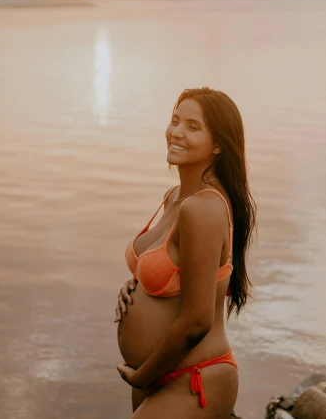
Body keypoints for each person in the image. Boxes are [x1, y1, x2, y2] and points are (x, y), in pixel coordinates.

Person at [114, 87, 256, 418]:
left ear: (218, 144)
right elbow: (171, 276)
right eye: (175, 121)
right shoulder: (174, 197)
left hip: (194, 378)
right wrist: (135, 289)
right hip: (157, 375)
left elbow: (196, 321)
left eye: (193, 127)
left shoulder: (204, 209)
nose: (177, 132)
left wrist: (143, 375)